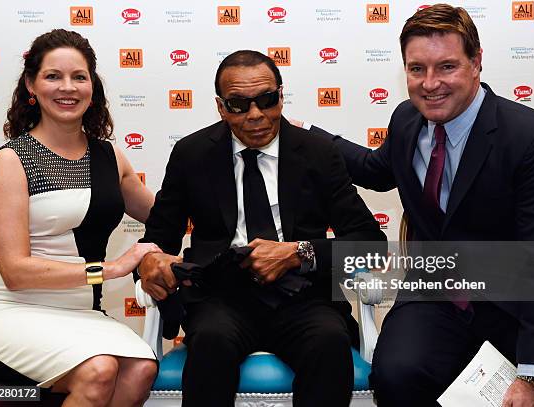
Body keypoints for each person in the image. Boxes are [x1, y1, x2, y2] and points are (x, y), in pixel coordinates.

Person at [308, 4, 534, 407]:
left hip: (517, 300)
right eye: (417, 69)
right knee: (397, 373)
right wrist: (305, 134)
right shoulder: (406, 120)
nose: (430, 83)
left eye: (447, 67)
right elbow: (377, 169)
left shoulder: (530, 138)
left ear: (476, 63)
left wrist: (533, 374)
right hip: (433, 294)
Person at [137, 50, 385, 406]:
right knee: (210, 342)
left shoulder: (319, 152)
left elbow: (370, 244)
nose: (256, 115)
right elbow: (158, 240)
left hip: (304, 297)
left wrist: (298, 253)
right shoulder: (191, 154)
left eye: (267, 100)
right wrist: (151, 260)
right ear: (221, 107)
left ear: (281, 96)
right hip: (221, 297)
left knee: (329, 343)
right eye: (239, 104)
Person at [0, 29, 160, 407]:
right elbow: (15, 271)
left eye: (79, 76)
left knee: (140, 369)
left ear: (93, 86)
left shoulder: (110, 157)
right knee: (99, 369)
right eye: (53, 76)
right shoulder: (12, 160)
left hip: (81, 312)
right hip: (12, 309)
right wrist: (110, 269)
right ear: (31, 85)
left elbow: (163, 214)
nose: (67, 88)